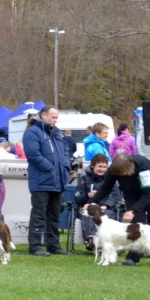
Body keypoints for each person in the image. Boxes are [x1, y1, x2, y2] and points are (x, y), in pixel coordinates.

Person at [91, 153, 150, 266]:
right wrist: (91, 202)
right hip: (131, 192)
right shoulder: (113, 169)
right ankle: (133, 257)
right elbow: (105, 188)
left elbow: (148, 193)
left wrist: (133, 210)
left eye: (125, 174)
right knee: (135, 222)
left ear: (131, 167)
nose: (123, 177)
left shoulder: (142, 166)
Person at [23, 106, 72, 256]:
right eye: (53, 117)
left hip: (58, 181)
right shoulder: (32, 132)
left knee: (54, 215)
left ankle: (53, 245)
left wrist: (65, 166)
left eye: (56, 117)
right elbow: (32, 154)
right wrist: (50, 167)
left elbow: (65, 152)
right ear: (43, 115)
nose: (55, 120)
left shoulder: (57, 133)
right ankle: (35, 246)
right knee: (39, 215)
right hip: (41, 181)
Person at [74, 153, 122, 251]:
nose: (102, 169)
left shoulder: (111, 179)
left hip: (106, 208)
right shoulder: (84, 179)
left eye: (104, 167)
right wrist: (87, 195)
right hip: (88, 209)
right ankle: (91, 241)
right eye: (100, 166)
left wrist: (106, 205)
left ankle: (100, 243)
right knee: (89, 216)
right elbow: (78, 199)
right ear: (92, 166)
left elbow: (116, 196)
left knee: (106, 216)